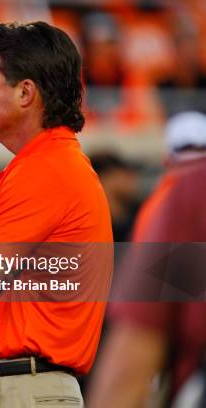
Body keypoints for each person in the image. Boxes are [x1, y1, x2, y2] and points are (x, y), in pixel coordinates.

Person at [0, 21, 112, 407]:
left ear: (26, 92)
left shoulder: (43, 169)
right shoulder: (59, 164)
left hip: (22, 388)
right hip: (33, 386)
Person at [87, 111, 206, 408]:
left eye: (198, 151)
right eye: (186, 150)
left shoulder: (180, 201)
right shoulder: (177, 201)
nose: (192, 159)